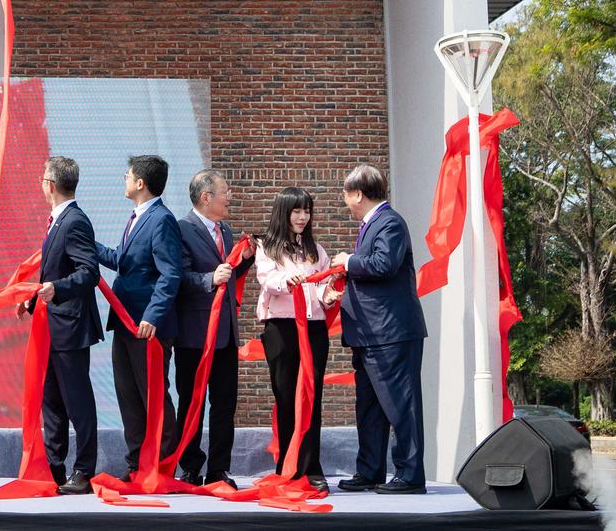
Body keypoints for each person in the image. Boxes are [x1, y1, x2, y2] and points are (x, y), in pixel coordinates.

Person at [332, 164, 426, 494]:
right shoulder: (373, 224)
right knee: (370, 407)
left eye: (345, 193)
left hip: (391, 333)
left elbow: (384, 265)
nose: (344, 200)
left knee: (401, 405)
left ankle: (410, 475)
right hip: (370, 334)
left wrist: (347, 262)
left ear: (358, 193)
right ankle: (369, 470)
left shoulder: (389, 223)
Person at [95, 153, 187, 480]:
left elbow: (170, 273)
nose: (124, 178)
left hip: (148, 326)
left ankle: (163, 465)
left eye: (127, 174)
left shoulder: (161, 219)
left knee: (153, 395)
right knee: (129, 396)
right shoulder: (137, 217)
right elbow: (124, 260)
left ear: (140, 183)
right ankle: (136, 465)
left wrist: (153, 315)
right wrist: (87, 245)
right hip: (125, 322)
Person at [20, 155, 100, 495]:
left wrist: (58, 289)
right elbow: (53, 271)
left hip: (71, 326)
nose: (40, 184)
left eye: (41, 178)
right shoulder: (57, 221)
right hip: (52, 325)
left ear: (50, 185)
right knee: (52, 400)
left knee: (77, 401)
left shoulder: (75, 221)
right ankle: (54, 467)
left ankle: (83, 470)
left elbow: (89, 271)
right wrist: (34, 297)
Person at [251, 186, 337, 494]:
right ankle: (287, 467)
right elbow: (267, 279)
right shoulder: (267, 246)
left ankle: (312, 468)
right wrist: (287, 281)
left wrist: (330, 295)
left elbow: (325, 284)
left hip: (313, 329)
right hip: (282, 329)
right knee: (286, 398)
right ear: (283, 212)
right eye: (297, 211)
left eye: (307, 211)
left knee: (311, 399)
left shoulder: (316, 249)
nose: (303, 217)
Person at [173, 169, 249, 488]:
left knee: (224, 404)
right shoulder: (181, 229)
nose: (229, 196)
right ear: (206, 198)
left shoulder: (226, 231)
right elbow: (176, 276)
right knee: (192, 402)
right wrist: (208, 280)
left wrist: (246, 260)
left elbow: (228, 274)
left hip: (225, 334)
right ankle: (190, 466)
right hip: (194, 335)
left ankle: (219, 469)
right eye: (224, 191)